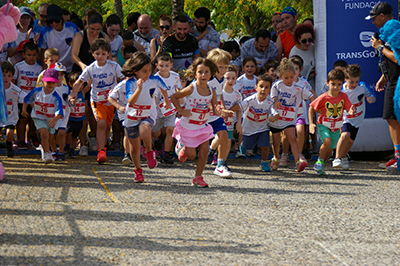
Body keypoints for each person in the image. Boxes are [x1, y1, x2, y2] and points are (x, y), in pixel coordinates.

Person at [117, 52, 170, 182]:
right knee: (134, 148)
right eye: (144, 71)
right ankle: (138, 171)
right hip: (132, 115)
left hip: (148, 113)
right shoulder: (130, 83)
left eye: (150, 70)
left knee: (145, 130)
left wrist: (167, 101)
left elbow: (163, 88)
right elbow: (131, 101)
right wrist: (139, 89)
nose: (148, 74)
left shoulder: (155, 79)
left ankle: (149, 151)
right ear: (136, 71)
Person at [70, 39, 124, 163]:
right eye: (97, 53)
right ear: (92, 54)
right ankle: (101, 151)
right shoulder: (90, 68)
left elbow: (122, 79)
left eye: (103, 54)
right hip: (97, 100)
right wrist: (73, 94)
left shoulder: (114, 66)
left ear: (108, 54)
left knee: (107, 126)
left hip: (111, 100)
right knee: (101, 123)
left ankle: (103, 146)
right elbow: (79, 81)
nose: (100, 56)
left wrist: (116, 90)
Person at [170, 57, 220, 187]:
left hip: (202, 126)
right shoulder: (192, 88)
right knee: (191, 156)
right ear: (195, 73)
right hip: (188, 126)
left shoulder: (211, 90)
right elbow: (174, 97)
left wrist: (221, 111)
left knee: (204, 151)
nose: (203, 75)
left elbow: (215, 108)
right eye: (200, 72)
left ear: (211, 73)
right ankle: (182, 146)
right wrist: (181, 110)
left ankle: (198, 177)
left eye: (207, 72)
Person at [367, 2, 400, 170]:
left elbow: (397, 57)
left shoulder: (395, 30)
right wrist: (384, 77)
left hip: (399, 83)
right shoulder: (387, 32)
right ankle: (397, 156)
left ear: (382, 16)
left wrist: (379, 47)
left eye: (374, 18)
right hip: (392, 80)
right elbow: (390, 59)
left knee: (394, 118)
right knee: (391, 117)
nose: (372, 23)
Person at [71, 11, 109, 152]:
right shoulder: (80, 35)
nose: (94, 32)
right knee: (84, 110)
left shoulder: (104, 36)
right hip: (81, 72)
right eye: (92, 29)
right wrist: (82, 66)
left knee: (96, 111)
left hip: (98, 75)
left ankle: (93, 137)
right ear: (87, 25)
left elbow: (108, 54)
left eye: (97, 30)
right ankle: (82, 144)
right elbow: (73, 54)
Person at [269, 58, 313, 172]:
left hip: (289, 118)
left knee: (292, 137)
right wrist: (275, 99)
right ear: (280, 76)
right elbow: (272, 96)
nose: (289, 80)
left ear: (295, 75)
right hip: (277, 117)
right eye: (286, 78)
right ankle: (276, 158)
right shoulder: (277, 85)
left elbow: (311, 96)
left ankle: (297, 161)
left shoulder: (299, 88)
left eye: (291, 77)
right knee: (276, 140)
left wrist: (317, 104)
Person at [228, 74, 278, 171]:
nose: (263, 89)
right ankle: (243, 145)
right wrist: (228, 111)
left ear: (270, 89)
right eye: (261, 86)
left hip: (263, 128)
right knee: (248, 146)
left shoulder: (270, 101)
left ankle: (264, 162)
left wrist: (274, 117)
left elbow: (274, 112)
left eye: (267, 87)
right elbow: (238, 106)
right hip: (248, 128)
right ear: (256, 88)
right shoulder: (250, 100)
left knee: (265, 145)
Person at [309, 69, 353, 175]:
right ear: (327, 83)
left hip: (336, 126)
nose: (335, 87)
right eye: (333, 84)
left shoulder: (343, 96)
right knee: (327, 141)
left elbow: (348, 106)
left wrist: (350, 110)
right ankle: (319, 161)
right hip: (323, 124)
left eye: (339, 84)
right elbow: (311, 107)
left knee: (330, 150)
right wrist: (311, 123)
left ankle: (320, 166)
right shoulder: (324, 97)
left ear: (342, 84)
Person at [332, 64, 376, 169]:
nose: (354, 84)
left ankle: (343, 156)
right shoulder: (341, 89)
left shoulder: (362, 86)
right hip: (345, 117)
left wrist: (371, 99)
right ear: (345, 79)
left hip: (358, 118)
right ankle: (337, 158)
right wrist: (346, 109)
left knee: (351, 140)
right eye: (351, 82)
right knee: (345, 135)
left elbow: (372, 96)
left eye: (357, 81)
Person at [22, 69, 63, 163]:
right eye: (48, 82)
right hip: (38, 117)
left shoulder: (56, 97)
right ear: (43, 81)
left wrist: (54, 120)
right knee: (44, 133)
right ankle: (47, 153)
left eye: (53, 82)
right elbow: (26, 99)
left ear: (56, 83)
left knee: (50, 137)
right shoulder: (36, 91)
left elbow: (60, 112)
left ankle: (45, 148)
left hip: (50, 119)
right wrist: (24, 110)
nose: (50, 85)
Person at [280, 56, 316, 166]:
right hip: (287, 114)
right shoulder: (281, 83)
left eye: (296, 68)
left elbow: (313, 96)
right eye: (291, 68)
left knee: (300, 131)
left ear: (300, 70)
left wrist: (314, 105)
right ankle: (285, 154)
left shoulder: (304, 82)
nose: (293, 71)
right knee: (286, 135)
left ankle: (299, 154)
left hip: (300, 113)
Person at [205, 49, 232, 178]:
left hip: (215, 116)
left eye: (225, 67)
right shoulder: (208, 82)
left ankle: (220, 164)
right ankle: (182, 142)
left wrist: (223, 109)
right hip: (203, 116)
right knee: (190, 150)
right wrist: (220, 110)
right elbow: (208, 101)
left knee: (224, 135)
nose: (223, 70)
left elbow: (219, 98)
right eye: (220, 67)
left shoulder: (222, 81)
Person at [152, 52, 182, 164]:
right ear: (157, 66)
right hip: (159, 109)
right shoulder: (155, 78)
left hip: (171, 108)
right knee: (156, 132)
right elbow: (154, 95)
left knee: (170, 129)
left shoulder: (175, 76)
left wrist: (180, 100)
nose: (164, 68)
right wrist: (154, 108)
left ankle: (166, 154)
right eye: (161, 66)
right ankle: (156, 140)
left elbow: (178, 88)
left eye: (166, 65)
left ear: (171, 65)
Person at [13, 41, 42, 150]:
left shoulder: (39, 68)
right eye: (29, 55)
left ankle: (31, 137)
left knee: (33, 119)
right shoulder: (18, 66)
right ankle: (20, 140)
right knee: (22, 120)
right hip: (21, 98)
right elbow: (14, 81)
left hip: (34, 99)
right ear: (24, 54)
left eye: (34, 55)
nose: (31, 57)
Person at [38, 4, 79, 72]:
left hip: (71, 69)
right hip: (53, 69)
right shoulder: (45, 31)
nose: (54, 24)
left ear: (62, 19)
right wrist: (46, 70)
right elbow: (43, 52)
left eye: (56, 21)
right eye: (51, 21)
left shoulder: (72, 28)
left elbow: (78, 48)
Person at [1, 61, 25, 157]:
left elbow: (25, 98)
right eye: (3, 75)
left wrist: (21, 109)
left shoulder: (16, 90)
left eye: (9, 75)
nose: (6, 78)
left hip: (11, 116)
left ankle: (9, 144)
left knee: (10, 132)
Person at [220, 65, 243, 159]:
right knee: (219, 141)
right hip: (218, 122)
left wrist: (238, 123)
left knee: (228, 142)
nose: (230, 81)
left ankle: (222, 162)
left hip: (229, 123)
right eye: (227, 78)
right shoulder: (219, 92)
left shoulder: (237, 95)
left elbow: (239, 109)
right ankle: (213, 155)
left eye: (233, 78)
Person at [49, 63, 70, 161]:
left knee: (62, 132)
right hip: (52, 114)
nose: (59, 76)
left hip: (63, 114)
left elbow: (70, 99)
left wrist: (71, 100)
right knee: (51, 133)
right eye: (57, 74)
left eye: (61, 74)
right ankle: (53, 150)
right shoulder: (50, 88)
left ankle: (61, 151)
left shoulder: (66, 88)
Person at [66, 72, 87, 157]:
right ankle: (67, 146)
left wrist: (87, 72)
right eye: (77, 84)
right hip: (70, 118)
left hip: (79, 119)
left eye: (81, 84)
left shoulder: (83, 93)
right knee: (69, 132)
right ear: (71, 84)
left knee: (75, 135)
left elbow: (88, 85)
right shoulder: (69, 93)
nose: (80, 87)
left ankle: (72, 149)